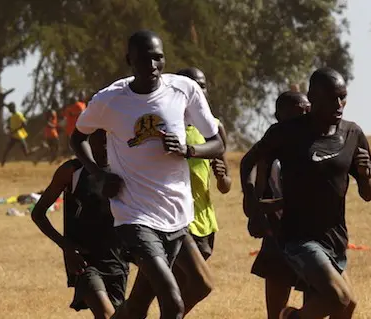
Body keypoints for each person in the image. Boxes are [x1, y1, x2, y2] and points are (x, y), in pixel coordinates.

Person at [70, 30, 225, 319]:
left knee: (141, 305)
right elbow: (77, 137)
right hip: (134, 215)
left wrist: (188, 150)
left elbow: (218, 143)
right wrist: (99, 175)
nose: (152, 66)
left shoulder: (183, 89)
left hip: (177, 214)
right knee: (173, 302)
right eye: (144, 59)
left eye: (158, 58)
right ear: (130, 61)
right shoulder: (111, 99)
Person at [239, 67, 371, 319]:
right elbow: (248, 162)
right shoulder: (287, 132)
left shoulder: (352, 134)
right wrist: (253, 204)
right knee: (338, 297)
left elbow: (368, 194)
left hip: (334, 238)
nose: (339, 104)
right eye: (331, 98)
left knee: (348, 305)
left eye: (342, 97)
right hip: (298, 238)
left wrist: (366, 176)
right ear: (313, 98)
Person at [118, 67, 232, 317]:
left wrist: (223, 176)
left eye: (202, 86)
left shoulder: (213, 127)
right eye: (192, 85)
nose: (197, 90)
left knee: (143, 299)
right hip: (172, 220)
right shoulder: (163, 123)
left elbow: (226, 185)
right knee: (200, 285)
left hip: (204, 222)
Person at [32, 130, 129, 319]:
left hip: (117, 261)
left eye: (109, 139)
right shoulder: (72, 171)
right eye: (99, 139)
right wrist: (66, 246)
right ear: (87, 141)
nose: (104, 145)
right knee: (106, 315)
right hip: (84, 262)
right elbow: (38, 213)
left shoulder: (125, 170)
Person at [247, 91, 311, 319]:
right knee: (274, 311)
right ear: (278, 116)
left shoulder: (315, 144)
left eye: (306, 110)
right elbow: (257, 183)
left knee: (316, 302)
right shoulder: (269, 150)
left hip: (310, 233)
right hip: (278, 232)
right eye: (296, 112)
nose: (302, 116)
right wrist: (256, 214)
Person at [0, 102, 30, 167]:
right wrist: (8, 128)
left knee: (26, 153)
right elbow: (12, 126)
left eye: (9, 108)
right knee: (6, 150)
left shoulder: (18, 114)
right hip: (13, 136)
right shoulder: (12, 117)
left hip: (19, 136)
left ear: (13, 108)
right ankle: (2, 164)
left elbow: (25, 124)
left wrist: (16, 130)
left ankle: (41, 147)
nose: (9, 109)